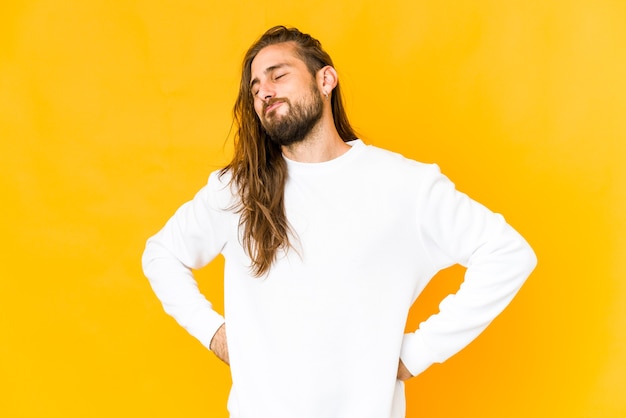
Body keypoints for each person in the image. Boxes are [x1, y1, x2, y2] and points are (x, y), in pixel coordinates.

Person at [142, 25, 537, 418]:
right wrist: (216, 335)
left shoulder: (404, 185)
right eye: (256, 86)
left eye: (278, 75)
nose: (264, 91)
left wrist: (418, 354)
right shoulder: (238, 190)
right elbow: (161, 254)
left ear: (325, 79)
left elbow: (508, 254)